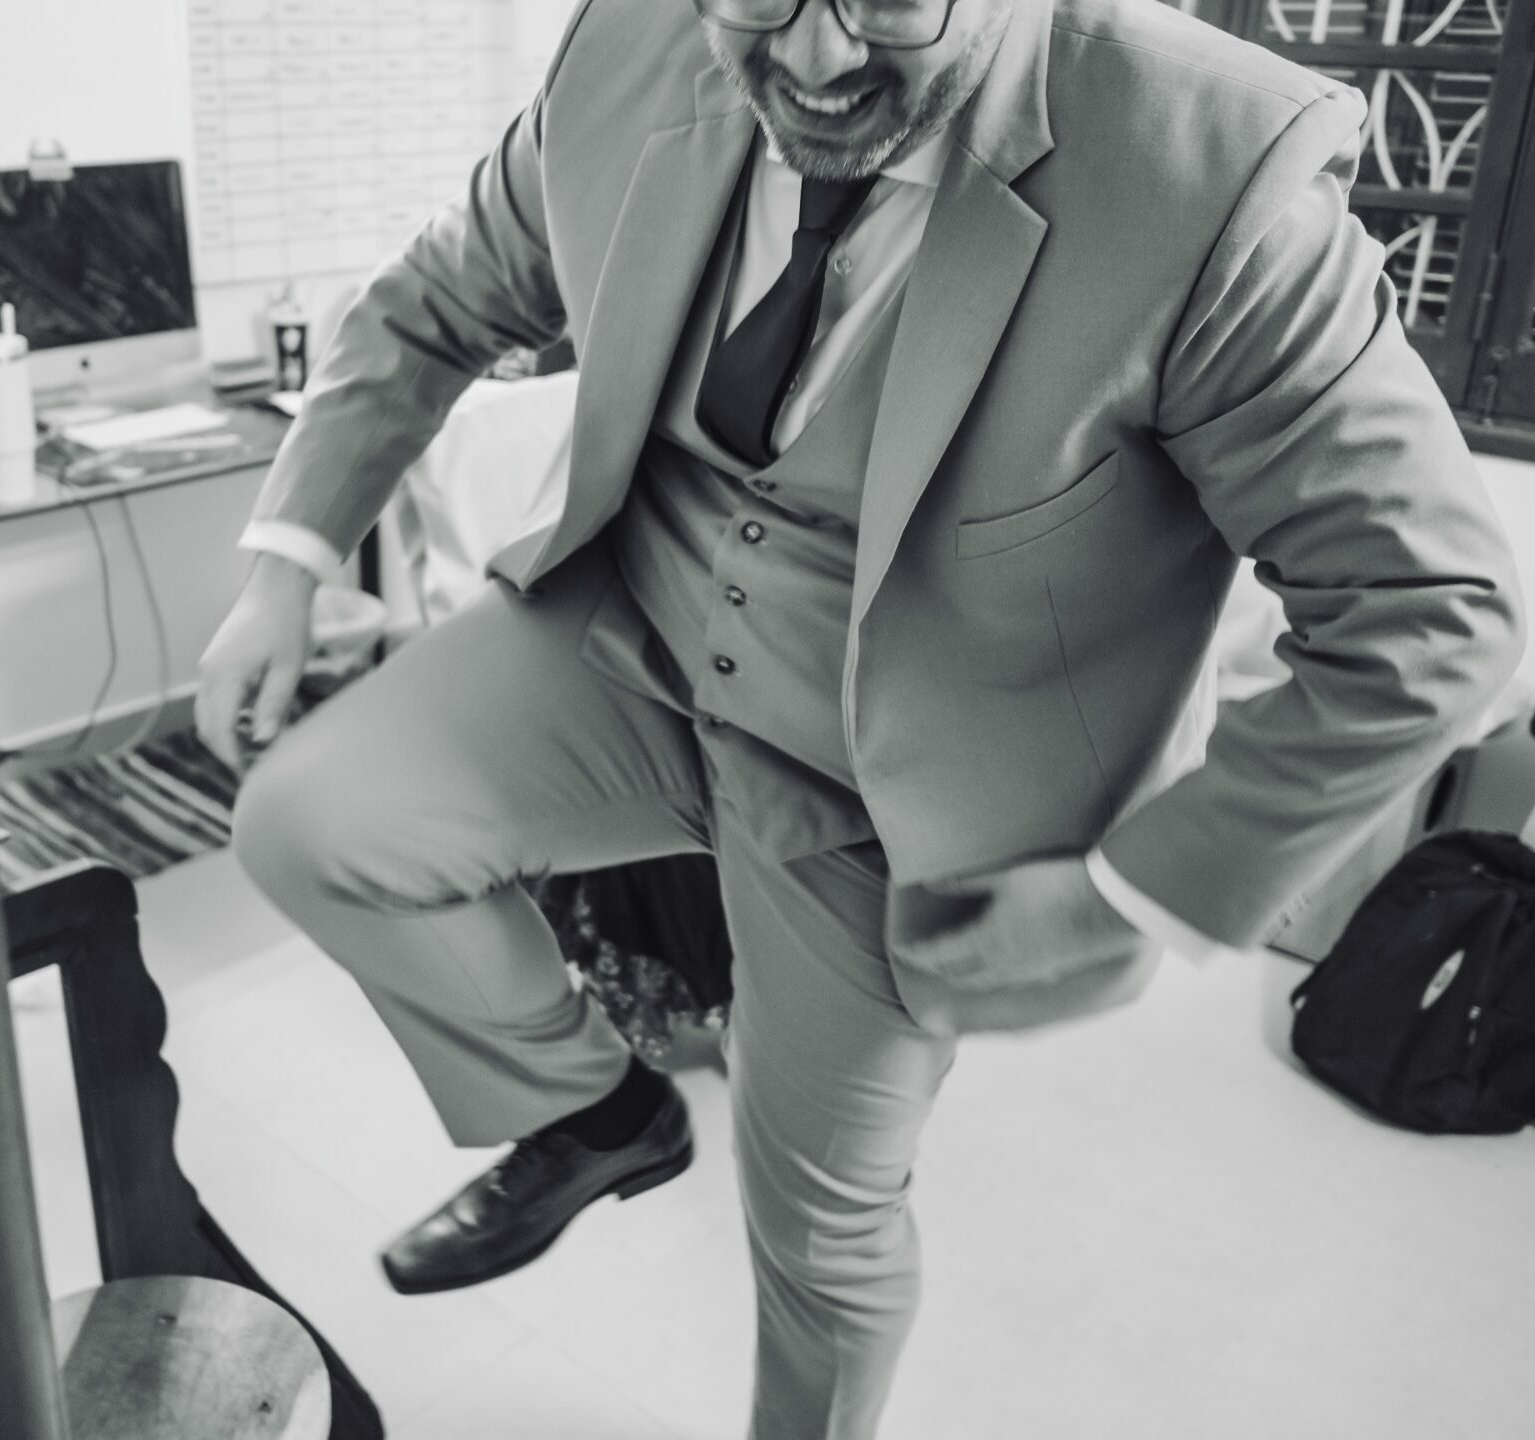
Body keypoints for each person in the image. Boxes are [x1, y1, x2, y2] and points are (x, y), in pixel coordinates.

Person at [195, 0, 1524, 1433]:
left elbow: (1430, 608)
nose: (817, 58)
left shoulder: (1211, 171)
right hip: (632, 640)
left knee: (820, 1234)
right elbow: (432, 296)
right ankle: (596, 1114)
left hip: (891, 796)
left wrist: (1132, 894)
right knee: (313, 822)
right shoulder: (621, 48)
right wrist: (288, 564)